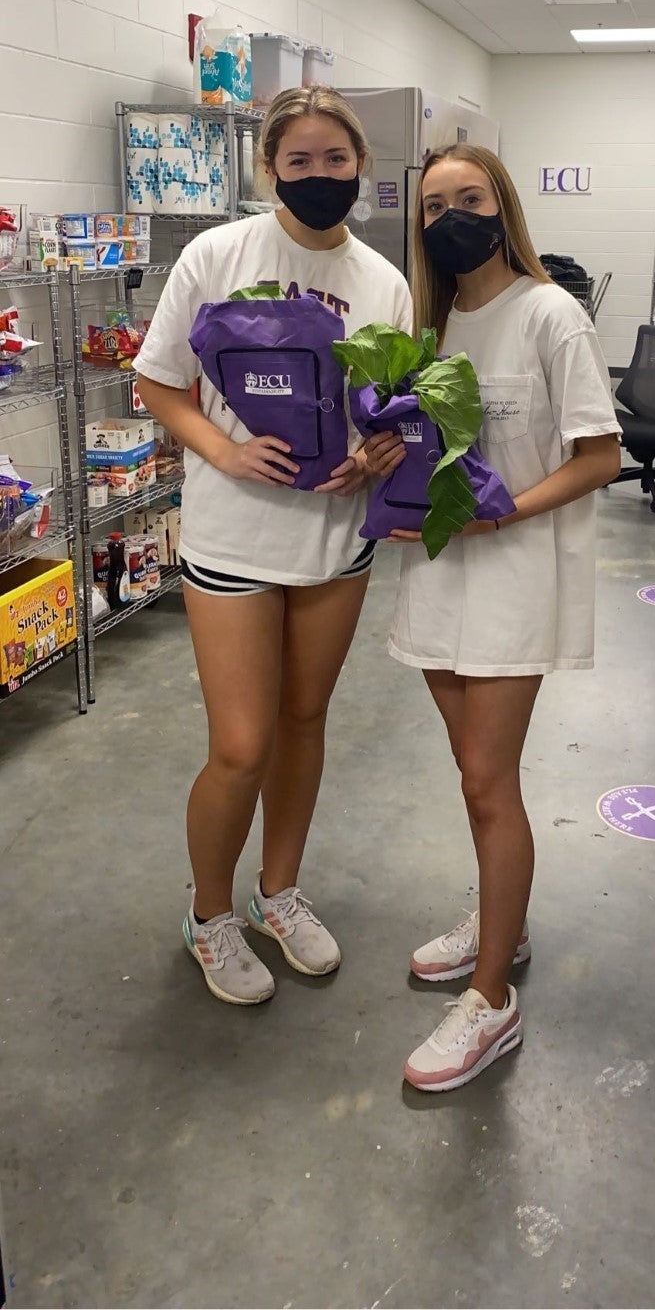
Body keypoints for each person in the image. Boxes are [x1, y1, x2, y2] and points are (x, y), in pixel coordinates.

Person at [134, 87, 411, 1007]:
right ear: (269, 168)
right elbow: (158, 384)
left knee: (304, 725)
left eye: (337, 160)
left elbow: (391, 407)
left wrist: (379, 449)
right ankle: (209, 914)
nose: (320, 176)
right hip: (235, 540)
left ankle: (278, 894)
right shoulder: (219, 255)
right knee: (242, 747)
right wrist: (224, 449)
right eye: (300, 161)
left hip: (337, 543)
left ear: (360, 165)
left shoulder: (385, 282)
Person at [366, 145, 620, 1092]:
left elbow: (600, 456)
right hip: (440, 575)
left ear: (503, 205)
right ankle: (500, 921)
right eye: (435, 206)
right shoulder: (433, 326)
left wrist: (504, 508)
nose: (452, 217)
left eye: (469, 199)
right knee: (472, 775)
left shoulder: (548, 314)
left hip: (511, 579)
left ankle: (490, 1000)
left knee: (486, 779)